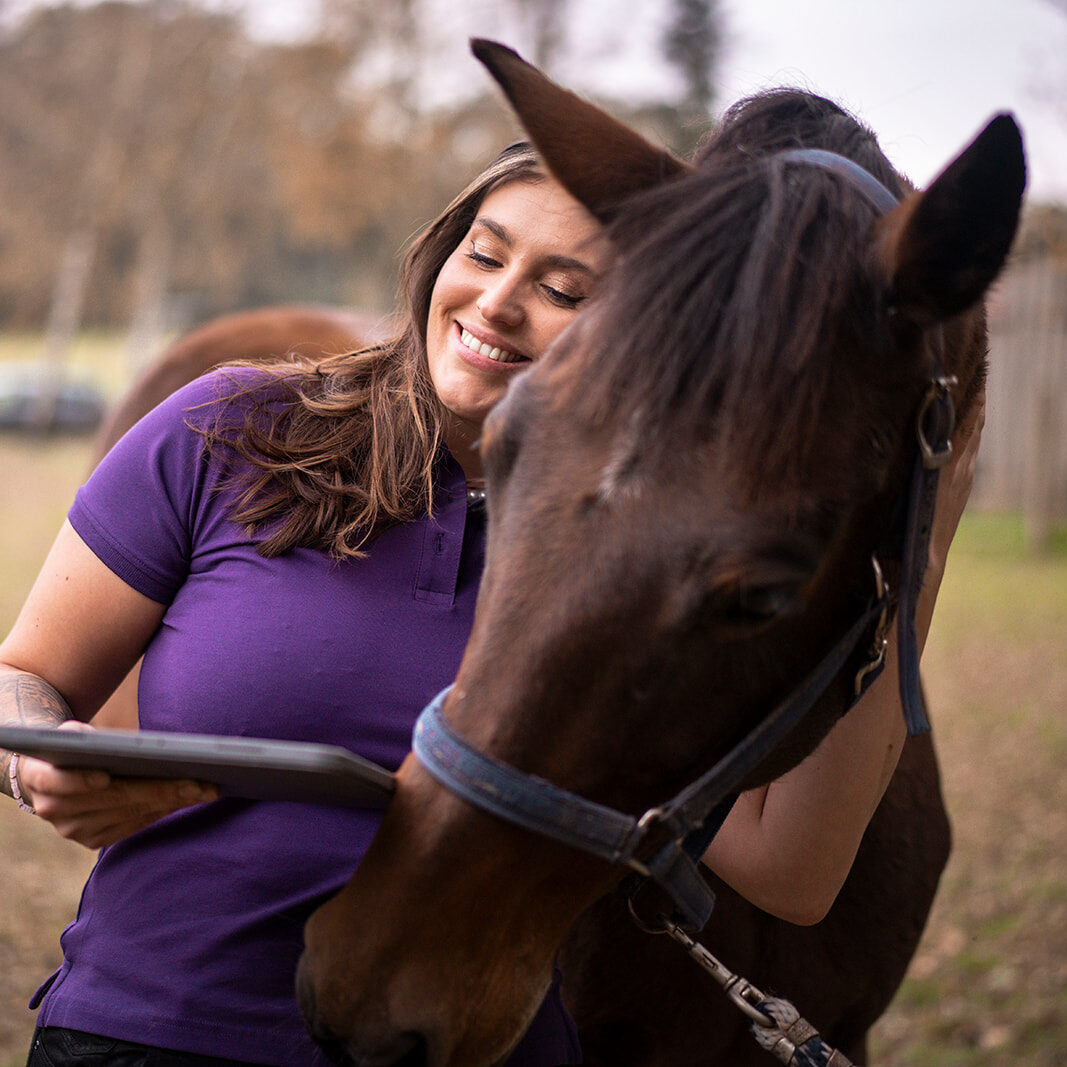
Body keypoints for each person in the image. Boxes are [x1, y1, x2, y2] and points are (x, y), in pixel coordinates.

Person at [0, 124, 980, 1063]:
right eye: (483, 251)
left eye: (563, 287)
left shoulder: (620, 582)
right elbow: (24, 675)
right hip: (147, 1029)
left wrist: (922, 527)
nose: (496, 301)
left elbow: (792, 874)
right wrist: (43, 757)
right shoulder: (226, 430)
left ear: (648, 335)